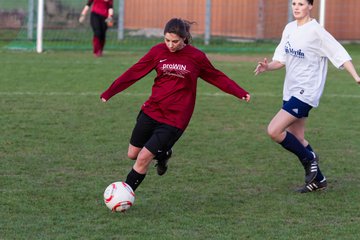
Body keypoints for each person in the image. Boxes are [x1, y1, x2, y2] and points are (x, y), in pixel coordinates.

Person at [100, 18, 251, 192]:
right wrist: (110, 92)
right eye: (167, 40)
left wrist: (239, 92)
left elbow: (216, 76)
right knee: (132, 154)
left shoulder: (196, 57)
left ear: (184, 38)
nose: (170, 45)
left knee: (142, 158)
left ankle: (124, 194)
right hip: (152, 110)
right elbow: (134, 72)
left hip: (174, 119)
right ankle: (163, 154)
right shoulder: (157, 52)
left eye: (175, 41)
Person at [254, 0, 360, 193]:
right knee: (298, 137)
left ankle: (309, 159)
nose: (296, 7)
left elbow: (340, 54)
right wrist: (267, 67)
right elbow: (281, 60)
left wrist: (356, 77)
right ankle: (319, 180)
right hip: (290, 90)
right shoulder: (289, 28)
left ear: (310, 6)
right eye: (294, 3)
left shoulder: (316, 31)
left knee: (274, 130)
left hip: (307, 91)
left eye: (301, 3)